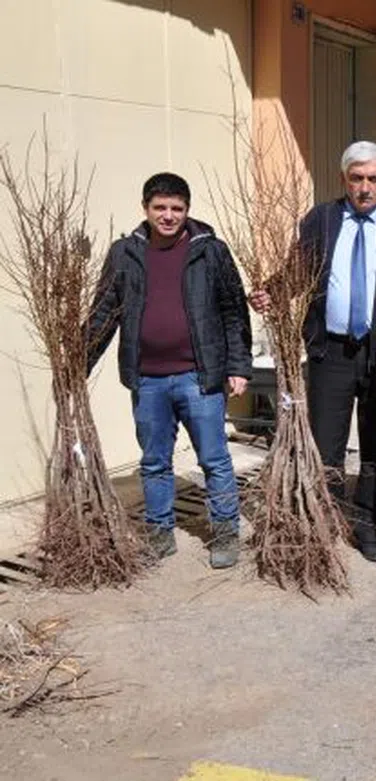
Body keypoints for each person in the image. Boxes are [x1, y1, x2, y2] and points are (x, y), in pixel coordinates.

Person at [87, 172, 252, 569]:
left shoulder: (210, 251)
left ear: (187, 210)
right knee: (155, 460)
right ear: (145, 209)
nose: (168, 215)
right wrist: (78, 363)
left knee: (214, 459)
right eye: (160, 207)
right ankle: (160, 532)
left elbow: (234, 310)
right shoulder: (125, 253)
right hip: (147, 378)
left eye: (176, 208)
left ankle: (226, 530)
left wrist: (238, 366)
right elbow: (105, 311)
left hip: (200, 376)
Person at [249, 141, 376, 562]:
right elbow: (300, 268)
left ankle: (370, 525)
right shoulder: (322, 218)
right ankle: (331, 520)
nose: (365, 187)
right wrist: (273, 292)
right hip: (329, 351)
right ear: (344, 180)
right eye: (357, 178)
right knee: (327, 444)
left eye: (374, 179)